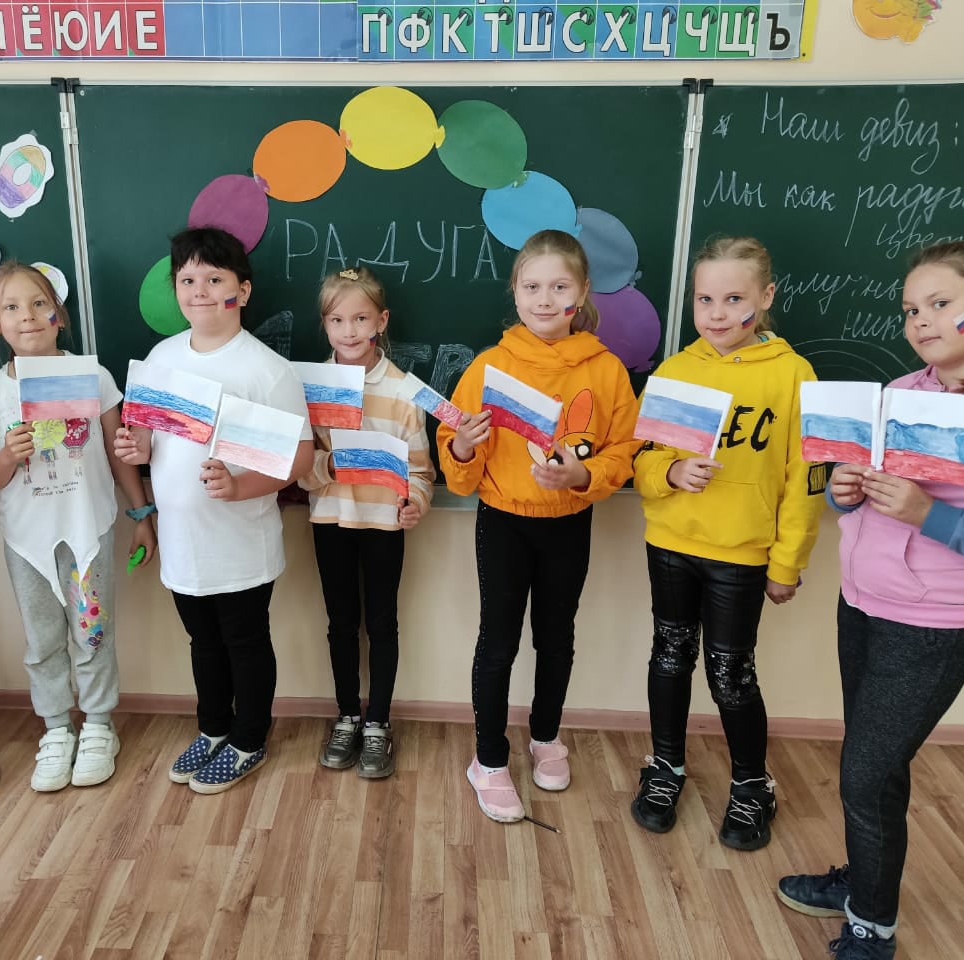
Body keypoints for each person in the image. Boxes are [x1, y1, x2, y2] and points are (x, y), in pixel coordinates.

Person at [777, 240, 964, 958]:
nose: (920, 321)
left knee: (863, 773)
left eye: (940, 304)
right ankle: (865, 882)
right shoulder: (899, 392)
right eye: (911, 310)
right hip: (864, 601)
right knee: (874, 765)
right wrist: (845, 492)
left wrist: (929, 515)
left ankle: (872, 928)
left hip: (937, 623)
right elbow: (863, 495)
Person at [436, 228, 641, 823]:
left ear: (583, 292)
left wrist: (582, 475)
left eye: (559, 287)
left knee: (556, 637)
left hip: (568, 523)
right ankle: (489, 758)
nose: (545, 299)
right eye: (532, 287)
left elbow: (625, 449)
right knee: (497, 641)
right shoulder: (489, 365)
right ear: (515, 290)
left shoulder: (606, 370)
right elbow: (455, 449)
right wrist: (465, 446)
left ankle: (546, 735)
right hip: (503, 521)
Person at [630, 236, 824, 851]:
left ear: (765, 297)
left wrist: (787, 563)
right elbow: (641, 456)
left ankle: (751, 785)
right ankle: (666, 766)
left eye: (734, 299)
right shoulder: (676, 371)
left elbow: (807, 480)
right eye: (704, 299)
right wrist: (669, 472)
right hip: (671, 543)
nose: (716, 314)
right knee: (669, 656)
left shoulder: (793, 375)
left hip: (741, 554)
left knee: (730, 674)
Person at [114, 227, 313, 794]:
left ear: (242, 291)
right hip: (183, 540)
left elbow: (300, 458)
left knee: (244, 642)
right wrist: (136, 448)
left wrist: (240, 486)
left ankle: (249, 738)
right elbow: (149, 440)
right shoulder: (162, 358)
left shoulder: (266, 370)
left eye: (214, 278)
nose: (199, 290)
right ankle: (213, 727)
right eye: (187, 280)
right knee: (202, 641)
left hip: (240, 540)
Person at [0, 262, 155, 792]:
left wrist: (141, 513)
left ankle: (98, 724)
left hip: (86, 532)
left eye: (39, 303)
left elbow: (119, 455)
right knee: (42, 639)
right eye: (11, 307)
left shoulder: (93, 377)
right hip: (27, 541)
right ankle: (56, 728)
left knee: (92, 633)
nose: (27, 316)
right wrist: (7, 456)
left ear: (59, 315)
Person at [297, 266, 434, 779]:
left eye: (360, 318)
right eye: (337, 320)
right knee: (339, 623)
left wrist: (415, 501)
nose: (349, 330)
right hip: (331, 518)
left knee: (381, 624)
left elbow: (421, 470)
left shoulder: (404, 391)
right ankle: (347, 716)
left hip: (383, 523)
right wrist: (327, 467)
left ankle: (378, 721)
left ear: (381, 320)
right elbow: (299, 464)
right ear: (325, 325)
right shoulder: (310, 385)